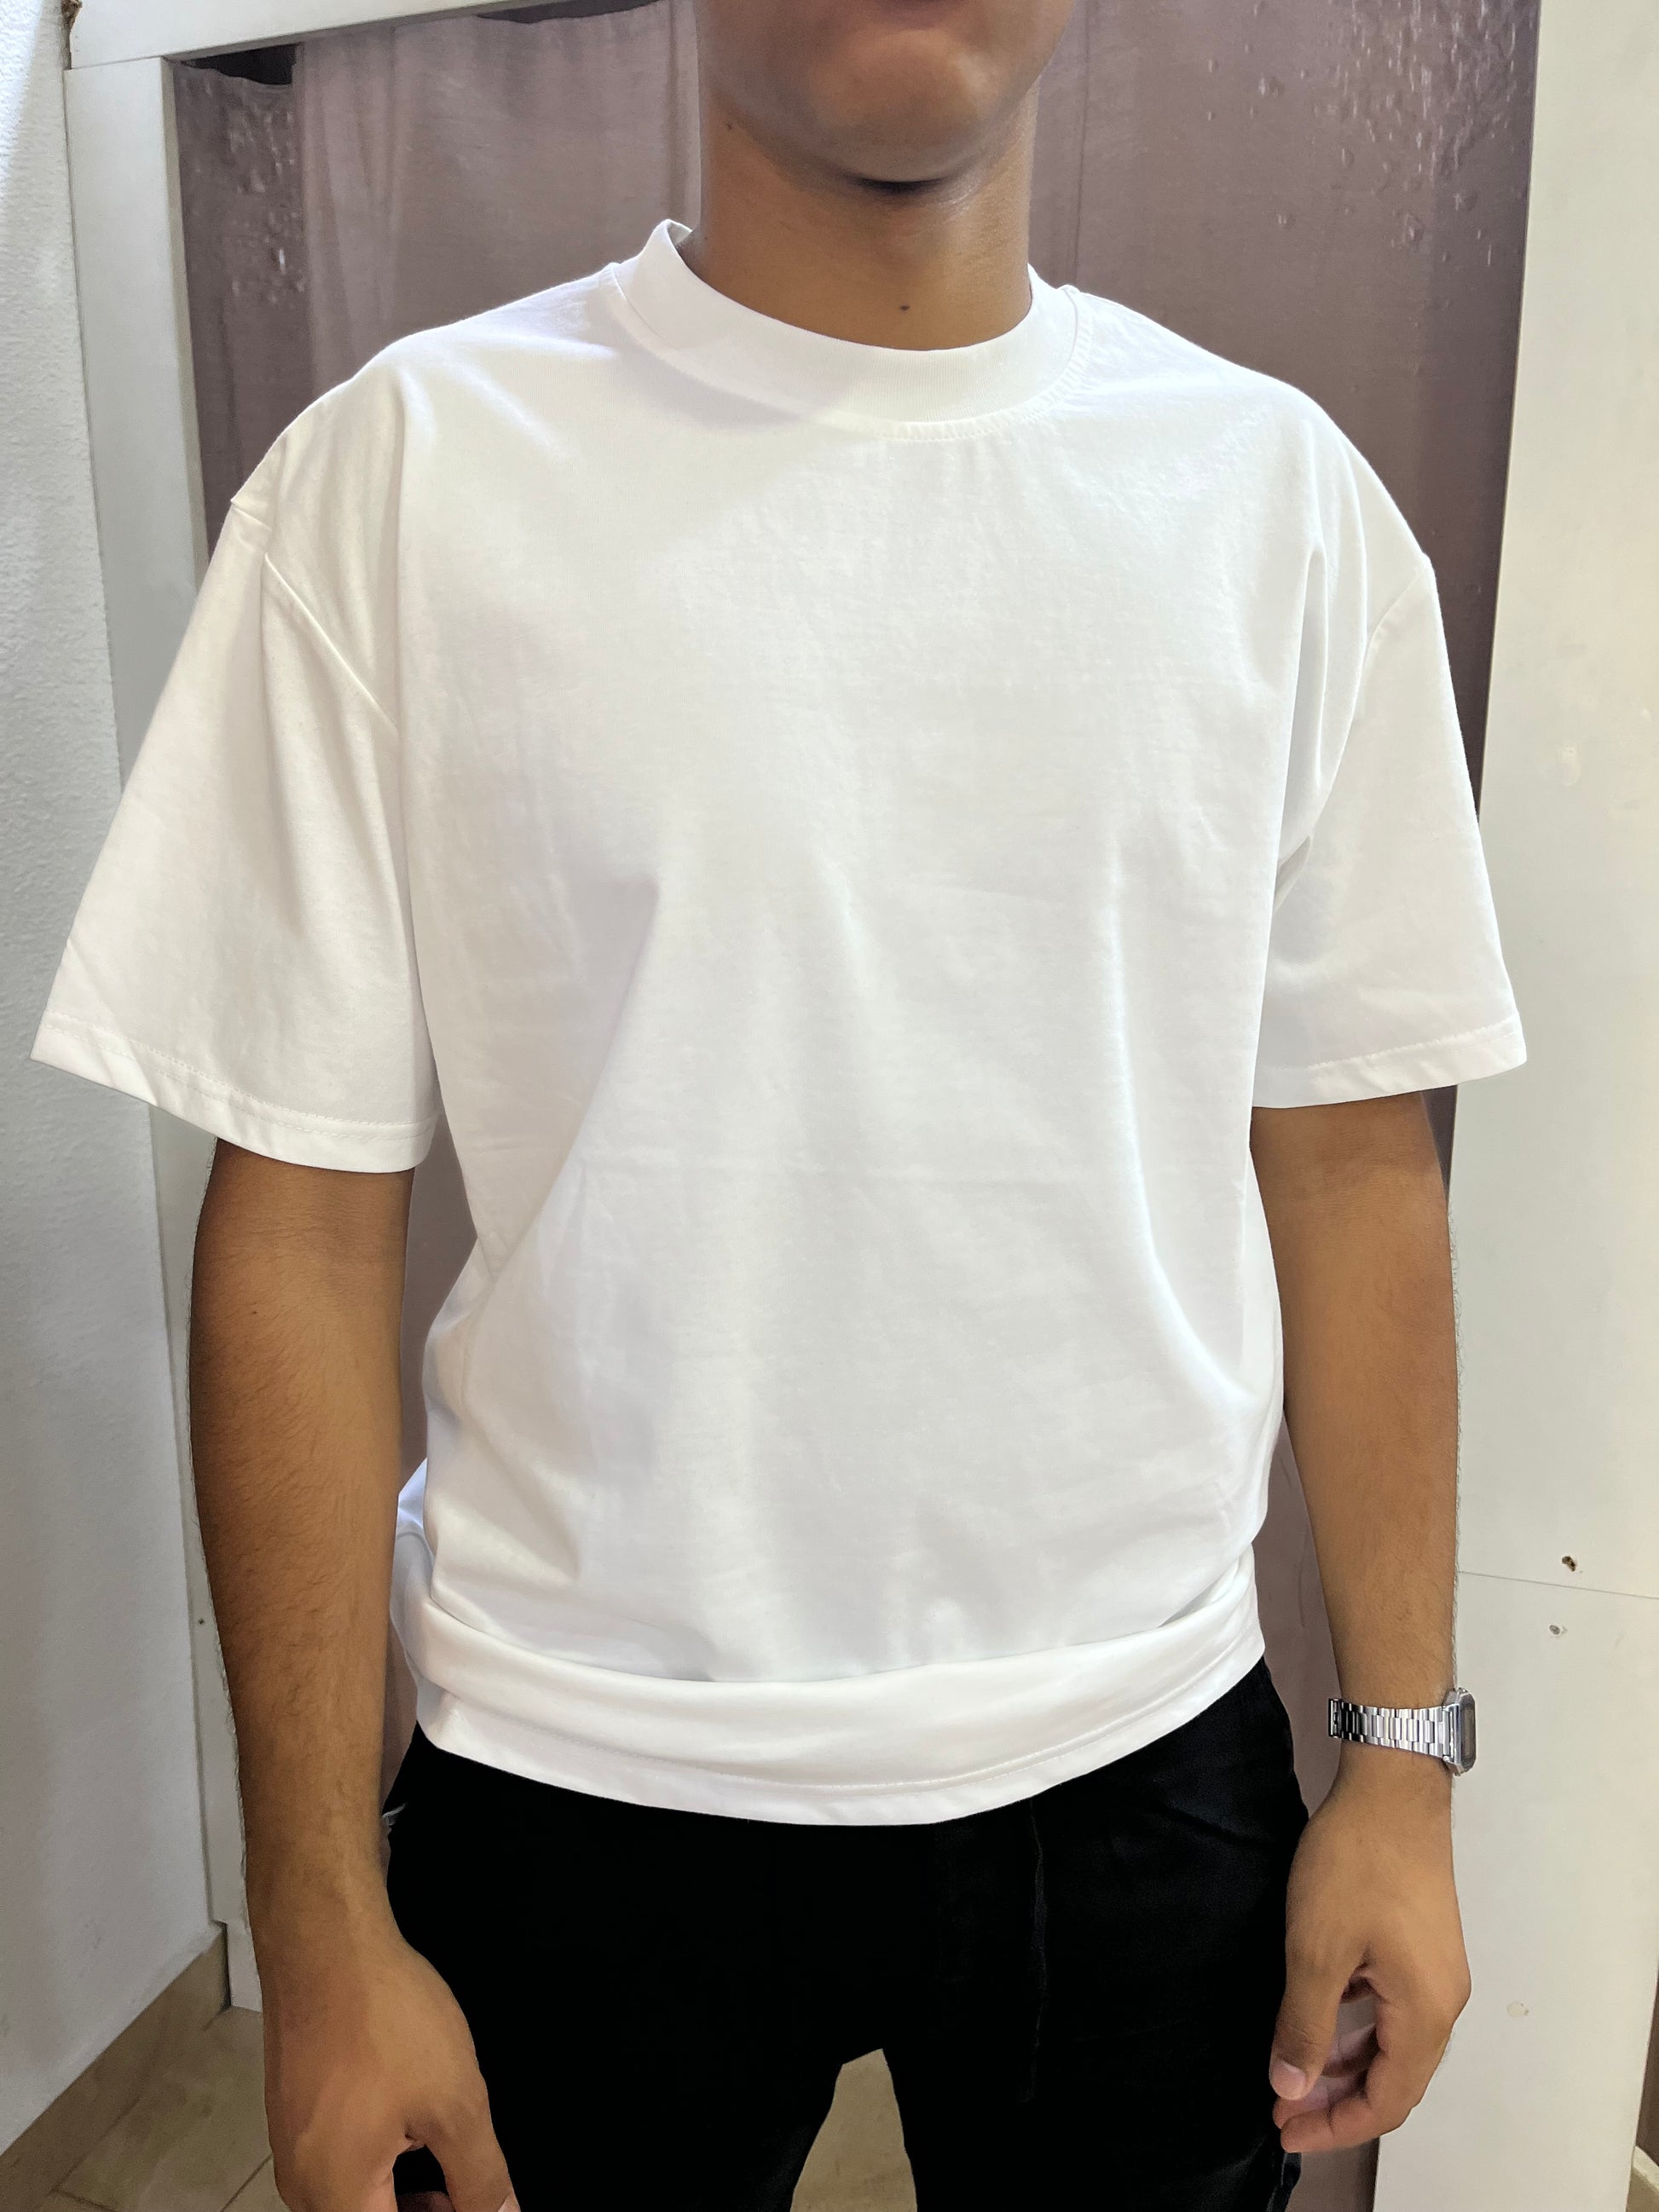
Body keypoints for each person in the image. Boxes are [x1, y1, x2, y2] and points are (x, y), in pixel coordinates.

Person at [33, 2, 1527, 2207]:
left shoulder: (1279, 508)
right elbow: (302, 1218)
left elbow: (1353, 1166)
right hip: (574, 1768)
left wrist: (1401, 1763)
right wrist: (321, 1913)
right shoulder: (405, 478)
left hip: (1140, 1762)